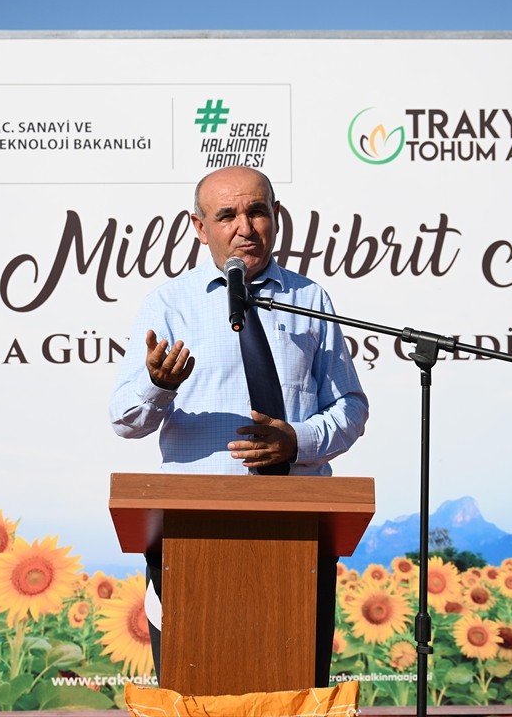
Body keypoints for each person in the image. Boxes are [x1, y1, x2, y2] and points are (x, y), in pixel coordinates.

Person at [108, 165, 369, 688]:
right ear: (199, 227)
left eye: (257, 212)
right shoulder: (170, 304)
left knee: (293, 695)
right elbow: (124, 420)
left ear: (277, 217)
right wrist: (159, 385)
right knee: (194, 697)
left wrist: (297, 441)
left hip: (296, 534)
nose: (245, 228)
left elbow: (350, 408)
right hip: (192, 535)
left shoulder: (310, 299)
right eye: (227, 215)